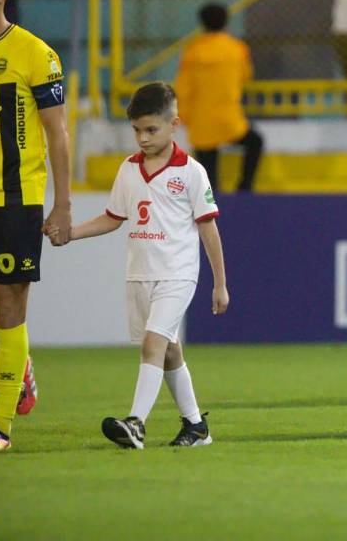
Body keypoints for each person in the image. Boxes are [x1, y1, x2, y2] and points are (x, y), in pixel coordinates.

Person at [65, 82, 227, 449]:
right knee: (169, 350)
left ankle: (136, 423)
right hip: (139, 274)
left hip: (177, 274)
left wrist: (220, 283)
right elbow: (112, 218)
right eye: (137, 130)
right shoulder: (128, 169)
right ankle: (196, 426)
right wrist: (71, 233)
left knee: (152, 344)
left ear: (174, 125)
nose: (142, 138)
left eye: (151, 130)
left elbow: (208, 228)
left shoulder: (191, 172)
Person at [0, 0, 70, 453]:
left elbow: (57, 133)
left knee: (7, 303)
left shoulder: (35, 53)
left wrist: (61, 205)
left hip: (17, 197)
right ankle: (12, 373)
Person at [175, 3, 263, 192]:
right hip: (229, 119)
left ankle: (212, 205)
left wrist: (184, 116)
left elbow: (183, 88)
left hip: (201, 120)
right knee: (255, 142)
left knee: (208, 173)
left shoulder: (192, 51)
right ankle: (245, 187)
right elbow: (246, 76)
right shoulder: (237, 49)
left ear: (202, 24)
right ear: (226, 22)